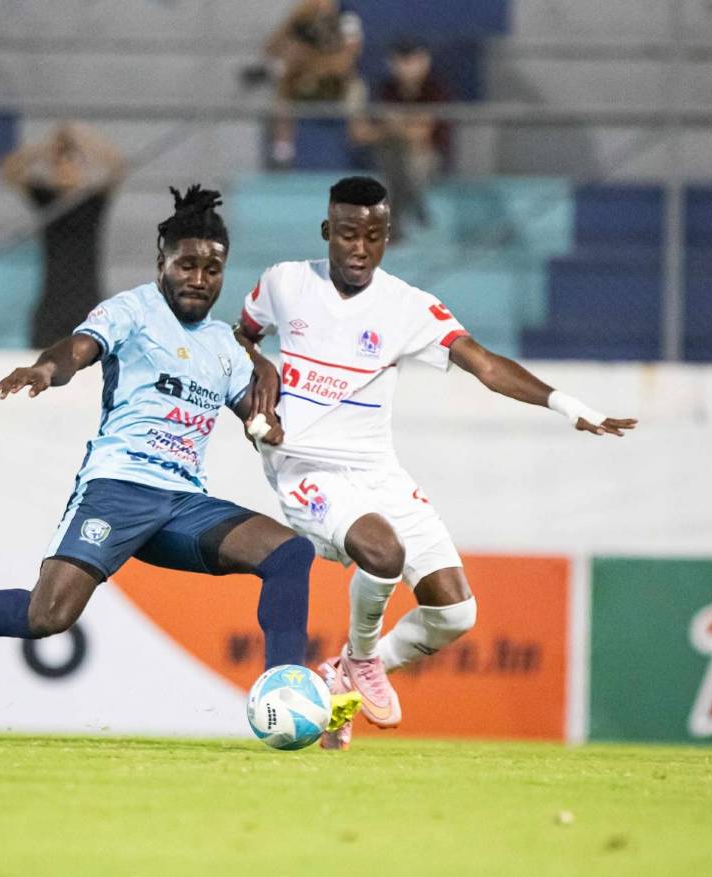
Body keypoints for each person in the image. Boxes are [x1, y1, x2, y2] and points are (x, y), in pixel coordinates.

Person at [0, 184, 362, 731]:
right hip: (117, 490)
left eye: (212, 269)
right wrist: (45, 370)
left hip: (183, 505)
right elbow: (77, 349)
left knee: (287, 553)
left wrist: (269, 410)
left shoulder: (224, 345)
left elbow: (261, 424)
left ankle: (286, 690)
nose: (199, 278)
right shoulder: (133, 310)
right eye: (186, 265)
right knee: (47, 617)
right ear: (162, 264)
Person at [235, 176, 637, 748]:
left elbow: (486, 365)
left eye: (373, 236)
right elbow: (240, 339)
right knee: (383, 552)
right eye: (348, 234)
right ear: (327, 230)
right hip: (306, 469)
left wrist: (567, 405)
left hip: (378, 472)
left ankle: (339, 678)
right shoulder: (285, 283)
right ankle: (364, 660)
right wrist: (258, 375)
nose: (360, 248)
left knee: (454, 614)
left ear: (387, 237)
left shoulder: (408, 307)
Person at [0, 122, 126, 349]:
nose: (65, 169)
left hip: (86, 294)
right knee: (41, 356)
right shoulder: (47, 199)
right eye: (59, 164)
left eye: (72, 162)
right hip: (52, 297)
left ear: (81, 167)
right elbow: (8, 170)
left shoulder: (92, 201)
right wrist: (47, 146)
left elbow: (118, 167)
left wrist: (83, 140)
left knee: (91, 357)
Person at [348, 38, 452, 241]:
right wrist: (400, 127)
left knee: (407, 165)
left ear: (424, 61)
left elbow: (420, 135)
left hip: (428, 157)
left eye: (412, 61)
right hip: (391, 155)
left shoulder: (435, 89)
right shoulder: (386, 89)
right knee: (394, 160)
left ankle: (396, 220)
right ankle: (415, 207)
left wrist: (392, 126)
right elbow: (362, 135)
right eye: (401, 61)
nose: (406, 67)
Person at [257, 0, 364, 169]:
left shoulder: (346, 16)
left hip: (336, 85)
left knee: (354, 86)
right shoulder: (303, 17)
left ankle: (357, 148)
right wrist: (294, 18)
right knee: (285, 79)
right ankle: (283, 148)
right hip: (304, 82)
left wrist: (312, 62)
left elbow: (346, 60)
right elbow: (270, 49)